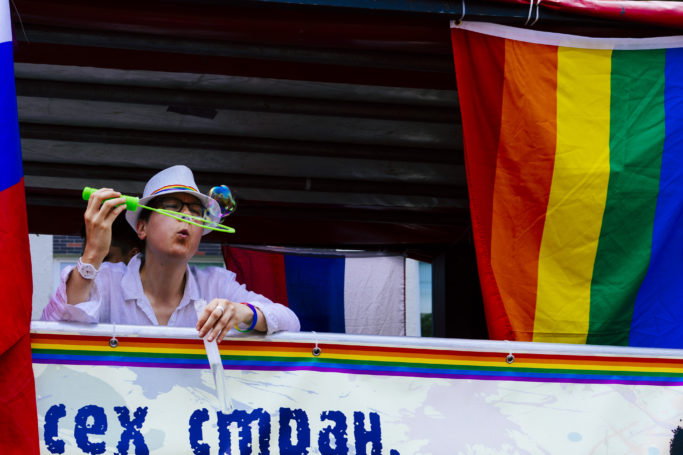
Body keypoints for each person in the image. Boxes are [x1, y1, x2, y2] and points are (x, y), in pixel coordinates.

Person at [42, 165, 300, 341]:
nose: (186, 216)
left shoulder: (216, 283)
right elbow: (55, 326)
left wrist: (244, 312)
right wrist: (92, 254)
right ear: (142, 227)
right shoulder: (107, 280)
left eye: (195, 211)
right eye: (173, 206)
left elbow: (290, 321)